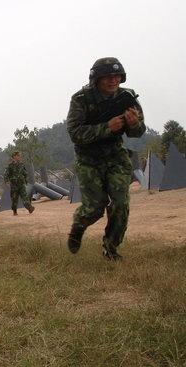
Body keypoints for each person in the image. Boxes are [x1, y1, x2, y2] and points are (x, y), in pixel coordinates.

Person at [66, 57, 146, 261]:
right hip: (88, 159)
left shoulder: (127, 97)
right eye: (108, 77)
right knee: (94, 208)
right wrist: (106, 127)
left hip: (116, 156)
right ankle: (78, 226)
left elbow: (137, 132)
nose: (113, 81)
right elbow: (75, 133)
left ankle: (110, 249)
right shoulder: (81, 99)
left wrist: (134, 124)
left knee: (120, 204)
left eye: (117, 76)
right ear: (97, 79)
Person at [4, 151, 34, 215]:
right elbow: (6, 174)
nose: (19, 157)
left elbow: (25, 173)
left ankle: (29, 208)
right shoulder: (10, 165)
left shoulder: (21, 164)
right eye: (18, 156)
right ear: (14, 156)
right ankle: (14, 211)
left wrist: (26, 180)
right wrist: (6, 181)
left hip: (21, 184)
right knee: (14, 199)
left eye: (19, 156)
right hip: (14, 185)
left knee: (25, 197)